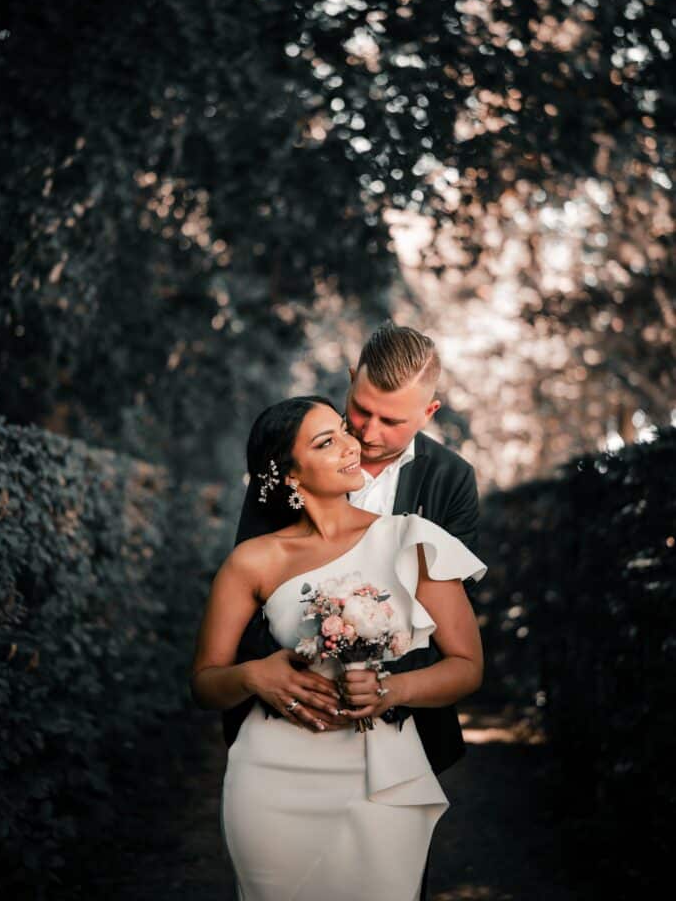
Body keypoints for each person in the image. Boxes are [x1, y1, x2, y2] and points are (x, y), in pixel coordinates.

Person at [191, 395, 485, 901]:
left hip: (382, 772)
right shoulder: (252, 561)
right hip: (271, 776)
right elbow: (204, 683)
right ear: (289, 475)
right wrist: (252, 675)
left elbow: (467, 667)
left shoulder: (412, 539)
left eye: (344, 432)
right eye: (327, 442)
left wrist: (393, 689)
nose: (353, 446)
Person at [226, 323, 480, 776]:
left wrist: (382, 687)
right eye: (360, 410)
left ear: (429, 411)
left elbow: (448, 621)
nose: (366, 432)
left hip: (402, 732)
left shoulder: (451, 479)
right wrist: (284, 679)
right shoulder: (294, 450)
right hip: (286, 728)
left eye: (392, 420)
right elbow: (247, 593)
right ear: (350, 377)